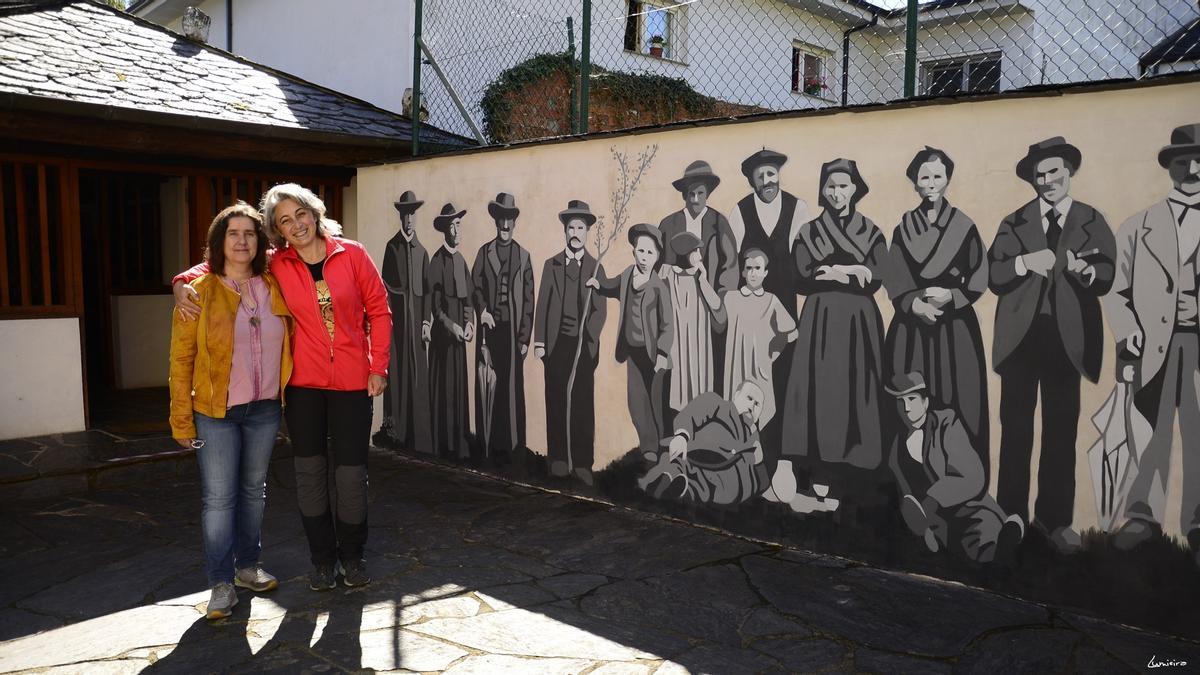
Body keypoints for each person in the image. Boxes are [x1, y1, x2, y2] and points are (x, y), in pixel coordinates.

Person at [173, 184, 391, 591]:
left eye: (300, 214)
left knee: (350, 475)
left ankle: (353, 557)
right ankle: (323, 561)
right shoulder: (277, 263)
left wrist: (377, 365)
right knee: (309, 474)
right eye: (284, 221)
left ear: (315, 212)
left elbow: (379, 310)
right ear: (278, 231)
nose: (296, 225)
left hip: (353, 382)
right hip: (302, 386)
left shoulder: (354, 254)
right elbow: (224, 263)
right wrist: (181, 281)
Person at [988, 137, 1115, 555]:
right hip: (1021, 341)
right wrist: (1025, 262)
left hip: (1067, 341)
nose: (1047, 182)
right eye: (1039, 176)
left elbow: (1107, 270)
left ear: (1069, 172)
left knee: (1060, 432)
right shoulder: (1015, 221)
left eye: (1054, 173)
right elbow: (995, 273)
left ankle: (1055, 521)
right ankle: (1011, 516)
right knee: (1016, 430)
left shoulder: (1090, 219)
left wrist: (1086, 271)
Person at [169, 202, 292, 620]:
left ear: (260, 242)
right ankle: (220, 583)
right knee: (219, 499)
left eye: (250, 233)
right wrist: (180, 418)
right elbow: (180, 359)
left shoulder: (275, 284)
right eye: (233, 233)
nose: (242, 241)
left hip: (265, 408)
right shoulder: (198, 291)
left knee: (254, 492)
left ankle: (247, 567)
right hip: (215, 411)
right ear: (219, 242)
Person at [1106, 123, 1200, 567]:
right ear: (1170, 168)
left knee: (1198, 435)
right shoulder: (1139, 226)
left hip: (1196, 342)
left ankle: (1198, 521)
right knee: (1151, 431)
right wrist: (1128, 334)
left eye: (1199, 161)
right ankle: (1143, 516)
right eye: (1183, 161)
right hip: (1156, 346)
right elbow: (1115, 290)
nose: (1193, 169)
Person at [779, 158, 888, 511]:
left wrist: (842, 271)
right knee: (820, 393)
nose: (837, 193)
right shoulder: (809, 231)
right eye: (831, 187)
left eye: (843, 185)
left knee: (855, 391)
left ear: (855, 189)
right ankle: (817, 475)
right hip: (821, 322)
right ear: (823, 191)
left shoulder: (871, 231)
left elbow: (877, 276)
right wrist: (848, 274)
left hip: (858, 324)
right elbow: (800, 276)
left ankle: (854, 477)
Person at [884, 147, 990, 465]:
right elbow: (895, 275)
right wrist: (913, 303)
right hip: (912, 330)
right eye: (924, 177)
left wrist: (953, 296)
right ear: (915, 183)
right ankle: (908, 482)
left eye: (937, 176)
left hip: (954, 331)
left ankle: (963, 479)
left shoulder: (964, 226)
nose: (931, 183)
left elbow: (979, 274)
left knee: (958, 400)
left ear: (947, 181)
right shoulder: (904, 227)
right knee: (911, 401)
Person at [886, 372, 1024, 564]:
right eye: (900, 401)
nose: (906, 407)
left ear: (925, 402)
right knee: (959, 550)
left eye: (911, 399)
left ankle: (1008, 532)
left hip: (968, 508)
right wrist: (922, 524)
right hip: (936, 523)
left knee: (982, 537)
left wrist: (933, 499)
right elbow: (906, 496)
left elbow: (973, 477)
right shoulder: (896, 448)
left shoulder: (946, 423)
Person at [534, 200, 608, 484]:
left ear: (587, 231)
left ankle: (582, 464)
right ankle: (559, 460)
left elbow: (600, 309)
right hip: (557, 345)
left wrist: (588, 336)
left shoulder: (595, 266)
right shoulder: (551, 265)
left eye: (580, 227)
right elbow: (543, 305)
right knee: (555, 399)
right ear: (564, 231)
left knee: (581, 403)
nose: (575, 232)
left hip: (583, 348)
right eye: (571, 227)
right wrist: (540, 342)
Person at [588, 223, 674, 464]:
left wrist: (663, 353)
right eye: (640, 251)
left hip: (654, 354)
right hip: (632, 351)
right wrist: (598, 284)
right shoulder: (627, 275)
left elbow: (668, 324)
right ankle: (648, 444)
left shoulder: (659, 286)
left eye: (650, 253)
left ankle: (663, 445)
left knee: (657, 401)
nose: (644, 257)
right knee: (636, 401)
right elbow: (612, 285)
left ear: (657, 256)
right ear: (633, 251)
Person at [471, 192, 535, 460]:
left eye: (509, 219)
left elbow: (530, 299)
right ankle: (490, 445)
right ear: (496, 221)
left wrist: (523, 338)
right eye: (501, 219)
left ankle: (512, 447)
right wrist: (483, 310)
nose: (505, 225)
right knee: (489, 386)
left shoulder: (523, 256)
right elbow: (475, 286)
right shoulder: (484, 253)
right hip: (490, 331)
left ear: (514, 222)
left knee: (511, 389)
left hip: (512, 334)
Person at [720, 249, 797, 470]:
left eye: (758, 269)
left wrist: (774, 351)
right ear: (743, 271)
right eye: (750, 268)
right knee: (733, 413)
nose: (753, 273)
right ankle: (731, 463)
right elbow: (715, 320)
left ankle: (757, 466)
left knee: (759, 416)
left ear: (765, 272)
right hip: (735, 368)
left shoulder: (771, 301)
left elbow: (791, 331)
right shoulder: (731, 298)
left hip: (760, 370)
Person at [638, 380, 770, 506]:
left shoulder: (753, 438)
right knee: (676, 464)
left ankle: (680, 488)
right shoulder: (717, 404)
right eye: (749, 398)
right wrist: (682, 436)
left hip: (721, 481)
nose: (752, 406)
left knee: (702, 488)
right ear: (736, 395)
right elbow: (692, 414)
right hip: (693, 458)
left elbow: (759, 482)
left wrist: (759, 463)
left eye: (758, 404)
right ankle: (664, 480)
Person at [378, 190, 432, 454]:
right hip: (398, 325)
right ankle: (395, 430)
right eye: (406, 214)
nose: (410, 218)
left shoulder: (422, 252)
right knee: (398, 374)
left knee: (418, 376)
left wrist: (425, 322)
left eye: (413, 214)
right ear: (401, 216)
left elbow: (428, 291)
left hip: (417, 327)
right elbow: (385, 288)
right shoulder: (392, 247)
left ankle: (417, 432)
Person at [726, 148, 810, 317]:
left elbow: (802, 257)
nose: (766, 181)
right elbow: (733, 261)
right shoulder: (740, 210)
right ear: (752, 182)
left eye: (771, 174)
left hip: (785, 297)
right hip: (751, 300)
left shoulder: (797, 207)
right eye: (760, 177)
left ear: (778, 175)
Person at [426, 203, 475, 460]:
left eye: (458, 224)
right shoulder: (437, 261)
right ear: (445, 230)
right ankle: (444, 446)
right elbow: (436, 308)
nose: (457, 229)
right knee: (444, 392)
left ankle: (459, 444)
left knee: (459, 392)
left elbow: (468, 300)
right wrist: (453, 327)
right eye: (452, 225)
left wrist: (468, 324)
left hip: (459, 340)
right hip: (443, 341)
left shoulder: (460, 260)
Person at [663, 231, 725, 415]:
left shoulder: (700, 277)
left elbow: (718, 309)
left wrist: (704, 281)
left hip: (699, 341)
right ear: (685, 253)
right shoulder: (668, 274)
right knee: (678, 384)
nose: (700, 256)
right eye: (696, 251)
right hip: (677, 340)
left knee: (700, 383)